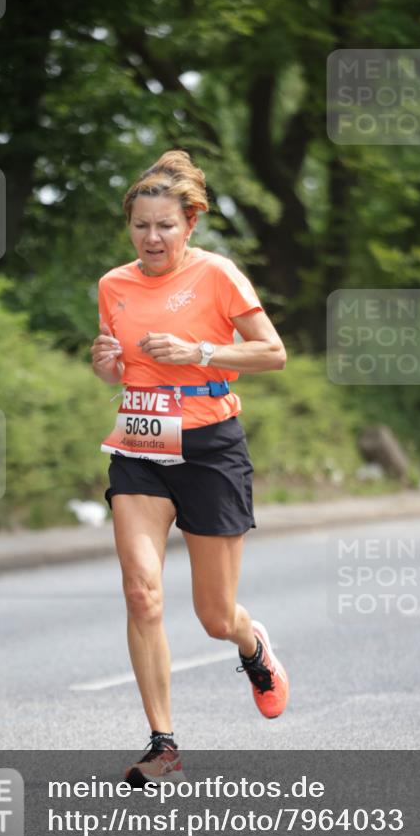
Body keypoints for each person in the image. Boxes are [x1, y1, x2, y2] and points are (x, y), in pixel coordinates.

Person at [91, 149, 289, 786]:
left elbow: (273, 353)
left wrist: (198, 351)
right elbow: (118, 368)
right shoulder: (114, 285)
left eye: (165, 226)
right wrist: (106, 365)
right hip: (141, 444)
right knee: (140, 592)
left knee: (214, 616)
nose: (152, 238)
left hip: (209, 448)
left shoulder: (217, 275)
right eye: (141, 226)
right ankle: (164, 745)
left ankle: (251, 645)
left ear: (190, 224)